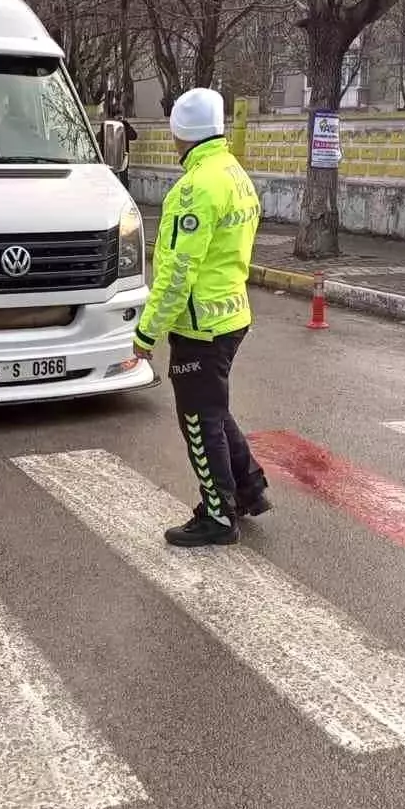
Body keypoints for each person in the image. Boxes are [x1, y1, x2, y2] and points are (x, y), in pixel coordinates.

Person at [133, 87, 269, 547]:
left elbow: (175, 274)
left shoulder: (192, 189)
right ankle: (248, 488)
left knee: (198, 419)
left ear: (179, 133)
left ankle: (217, 514)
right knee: (214, 408)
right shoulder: (235, 174)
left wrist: (146, 333)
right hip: (233, 316)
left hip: (199, 325)